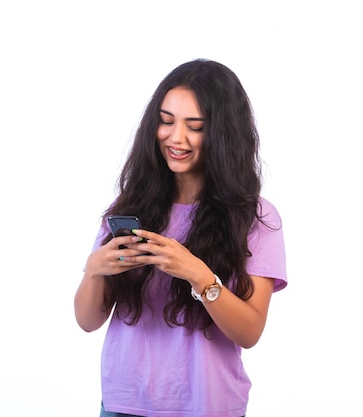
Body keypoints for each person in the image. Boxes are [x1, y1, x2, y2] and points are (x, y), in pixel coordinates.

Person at [74, 59, 287, 417]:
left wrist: (197, 274)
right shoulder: (127, 207)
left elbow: (249, 332)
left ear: (222, 133)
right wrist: (95, 270)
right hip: (124, 403)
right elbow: (88, 320)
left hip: (208, 407)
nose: (176, 137)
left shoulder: (256, 218)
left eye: (195, 126)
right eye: (166, 120)